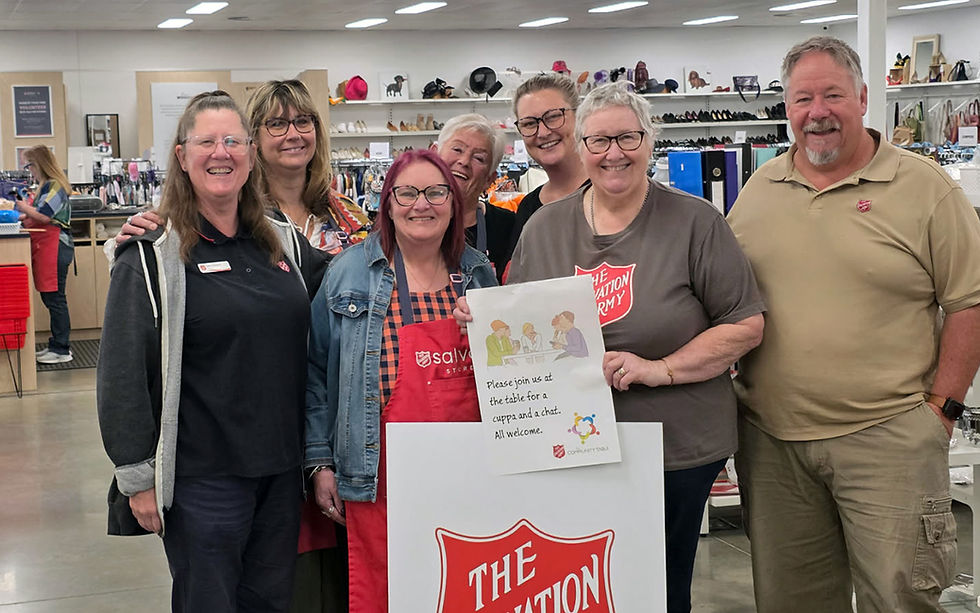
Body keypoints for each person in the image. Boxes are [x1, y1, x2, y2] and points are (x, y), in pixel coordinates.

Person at [459, 81, 765, 613]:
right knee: (582, 585)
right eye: (598, 142)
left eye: (627, 137)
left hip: (674, 447)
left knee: (660, 589)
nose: (613, 153)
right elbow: (523, 325)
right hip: (570, 447)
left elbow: (744, 325)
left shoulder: (696, 222)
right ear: (581, 148)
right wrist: (486, 321)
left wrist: (659, 369)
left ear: (651, 142)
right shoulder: (545, 227)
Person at [728, 36, 980, 613]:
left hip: (888, 439)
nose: (818, 112)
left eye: (833, 95)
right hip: (773, 444)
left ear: (864, 97)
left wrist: (942, 410)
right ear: (785, 108)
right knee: (791, 602)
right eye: (802, 99)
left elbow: (970, 302)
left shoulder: (926, 189)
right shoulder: (761, 188)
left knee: (901, 599)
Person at [115, 79, 348, 613]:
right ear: (182, 156)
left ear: (249, 156)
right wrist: (137, 478)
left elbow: (352, 286)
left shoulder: (284, 244)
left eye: (233, 142)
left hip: (280, 471)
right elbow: (124, 372)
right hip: (204, 479)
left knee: (269, 601)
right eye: (205, 142)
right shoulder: (153, 254)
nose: (221, 153)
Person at [304, 149, 497, 613]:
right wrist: (319, 462)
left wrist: (491, 335)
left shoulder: (477, 274)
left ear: (453, 203)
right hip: (377, 477)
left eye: (435, 193)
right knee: (387, 593)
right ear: (387, 204)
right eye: (406, 193)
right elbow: (315, 374)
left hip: (467, 474)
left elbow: (509, 376)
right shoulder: (348, 273)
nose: (421, 205)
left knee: (462, 587)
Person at [508, 74, 590, 255]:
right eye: (529, 123)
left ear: (580, 117)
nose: (543, 132)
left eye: (553, 117)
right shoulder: (528, 209)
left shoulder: (609, 194)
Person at [432, 114, 514, 282]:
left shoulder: (509, 228)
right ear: (434, 155)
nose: (464, 161)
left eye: (479, 158)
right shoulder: (410, 221)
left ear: (489, 180)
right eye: (457, 149)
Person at [16, 145, 74, 364]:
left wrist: (20, 206)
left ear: (39, 163)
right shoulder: (46, 186)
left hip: (56, 246)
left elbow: (44, 216)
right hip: (49, 246)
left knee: (56, 299)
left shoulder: (55, 185)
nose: (29, 170)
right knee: (50, 297)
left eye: (29, 165)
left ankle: (61, 349)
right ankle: (56, 344)